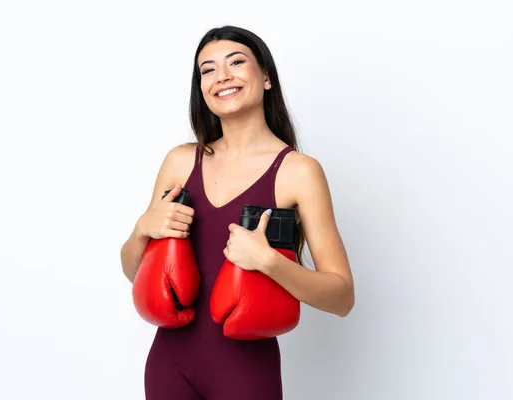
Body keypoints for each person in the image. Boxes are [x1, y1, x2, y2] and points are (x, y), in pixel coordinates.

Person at [120, 25, 355, 400]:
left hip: (246, 371)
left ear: (265, 77)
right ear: (201, 89)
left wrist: (269, 262)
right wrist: (141, 229)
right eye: (207, 70)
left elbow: (342, 298)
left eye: (236, 62)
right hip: (169, 364)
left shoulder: (297, 172)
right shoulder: (180, 162)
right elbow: (136, 273)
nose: (222, 76)